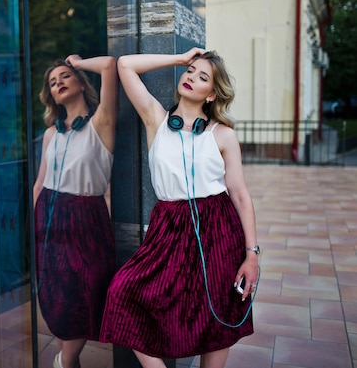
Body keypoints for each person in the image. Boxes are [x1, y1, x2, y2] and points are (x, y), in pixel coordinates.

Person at [99, 48, 259, 368]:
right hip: (169, 225)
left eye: (202, 77)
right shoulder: (156, 120)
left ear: (212, 94)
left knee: (217, 308)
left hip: (217, 224)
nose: (191, 78)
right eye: (190, 71)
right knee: (122, 292)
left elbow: (240, 194)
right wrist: (180, 57)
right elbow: (125, 65)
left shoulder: (222, 134)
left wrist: (251, 254)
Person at [33, 54, 118, 368]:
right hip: (49, 217)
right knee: (57, 296)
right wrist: (34, 227)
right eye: (53, 83)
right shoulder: (51, 134)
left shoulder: (101, 123)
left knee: (83, 292)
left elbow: (109, 65)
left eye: (65, 77)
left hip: (86, 218)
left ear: (82, 83)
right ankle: (69, 360)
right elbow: (40, 183)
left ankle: (65, 361)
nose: (59, 84)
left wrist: (78, 63)